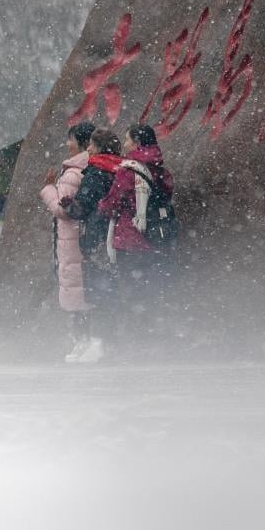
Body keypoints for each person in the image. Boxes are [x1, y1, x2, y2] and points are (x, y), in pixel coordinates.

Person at [97, 124, 174, 357]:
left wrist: (101, 206)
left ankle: (134, 344)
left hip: (130, 240)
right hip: (155, 239)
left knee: (130, 294)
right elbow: (167, 193)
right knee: (151, 293)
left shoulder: (128, 170)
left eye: (128, 140)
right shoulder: (159, 169)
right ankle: (152, 341)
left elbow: (112, 202)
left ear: (137, 143)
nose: (125, 144)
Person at [61, 128, 123, 363]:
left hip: (97, 237)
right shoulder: (122, 168)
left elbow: (83, 207)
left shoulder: (96, 171)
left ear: (99, 148)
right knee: (114, 288)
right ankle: (113, 341)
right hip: (119, 236)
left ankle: (98, 343)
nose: (88, 149)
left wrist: (69, 204)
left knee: (98, 290)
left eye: (92, 145)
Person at [39, 123, 95, 359]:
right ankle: (86, 342)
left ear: (82, 143)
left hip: (72, 241)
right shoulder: (92, 167)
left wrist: (47, 189)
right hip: (81, 238)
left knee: (76, 295)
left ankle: (82, 344)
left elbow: (63, 210)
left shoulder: (73, 173)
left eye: (70, 139)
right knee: (84, 292)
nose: (67, 144)